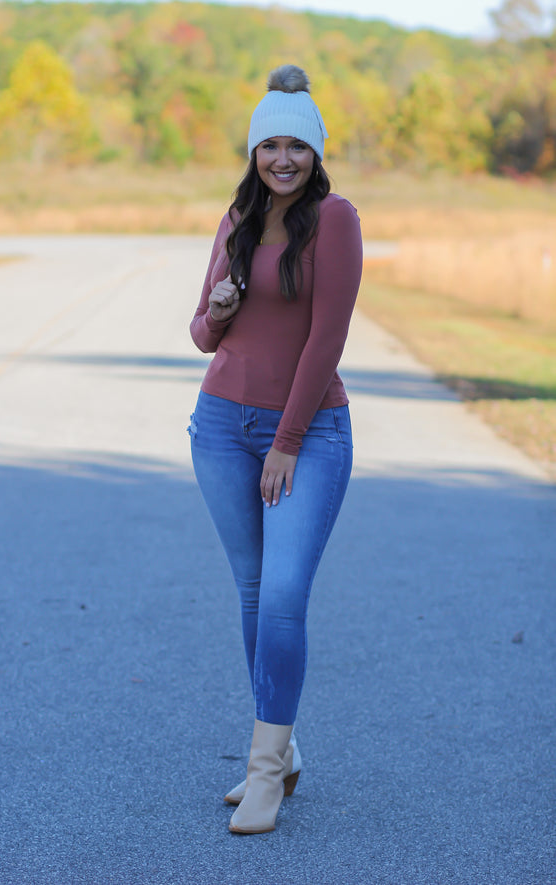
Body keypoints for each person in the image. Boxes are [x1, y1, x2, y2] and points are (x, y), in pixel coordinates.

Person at [188, 64, 363, 834]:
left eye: (297, 146)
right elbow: (200, 335)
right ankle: (281, 752)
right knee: (255, 595)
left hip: (308, 432)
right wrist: (220, 307)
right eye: (270, 145)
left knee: (286, 596)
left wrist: (288, 442)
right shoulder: (236, 218)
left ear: (316, 152)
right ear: (254, 151)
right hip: (222, 427)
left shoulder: (336, 220)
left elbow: (326, 339)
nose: (283, 159)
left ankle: (264, 771)